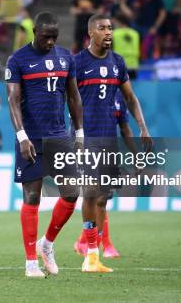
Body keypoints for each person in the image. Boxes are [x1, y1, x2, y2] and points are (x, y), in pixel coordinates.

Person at [5, 11, 84, 278]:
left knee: (72, 193)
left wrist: (80, 132)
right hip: (31, 139)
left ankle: (46, 244)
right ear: (34, 33)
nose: (50, 42)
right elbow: (13, 100)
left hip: (60, 136)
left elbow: (73, 97)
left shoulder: (65, 57)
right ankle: (30, 263)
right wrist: (21, 136)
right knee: (32, 197)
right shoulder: (18, 60)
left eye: (54, 37)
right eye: (45, 37)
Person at [72, 14, 151, 273]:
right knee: (90, 192)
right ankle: (91, 253)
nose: (108, 32)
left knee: (103, 199)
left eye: (110, 28)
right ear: (91, 33)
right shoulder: (77, 62)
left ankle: (91, 252)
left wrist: (142, 126)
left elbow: (130, 97)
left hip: (109, 140)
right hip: (87, 139)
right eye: (102, 28)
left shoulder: (117, 62)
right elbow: (66, 98)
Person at [74, 90, 132, 259]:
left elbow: (124, 126)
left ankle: (85, 241)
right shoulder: (87, 94)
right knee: (93, 197)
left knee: (102, 199)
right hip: (88, 149)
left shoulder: (118, 97)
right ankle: (102, 244)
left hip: (109, 151)